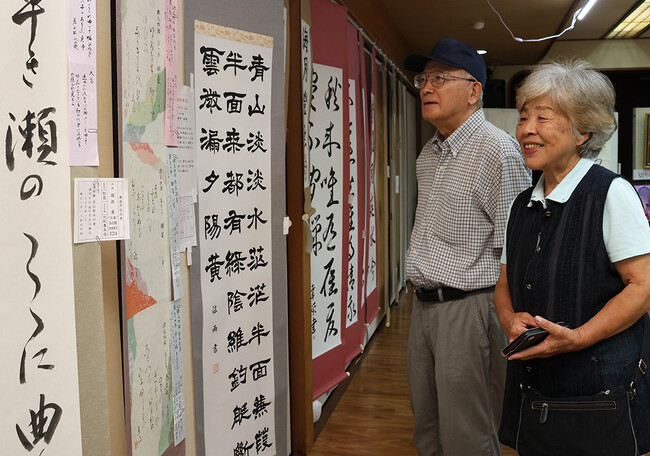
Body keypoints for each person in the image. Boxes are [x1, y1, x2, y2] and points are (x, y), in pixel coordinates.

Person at [496, 59, 650, 453]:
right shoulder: (522, 204)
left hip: (598, 395)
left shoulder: (610, 194)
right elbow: (505, 281)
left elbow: (643, 286)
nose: (527, 129)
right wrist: (509, 319)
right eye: (523, 116)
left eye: (543, 117)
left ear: (583, 131)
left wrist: (578, 337)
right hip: (536, 388)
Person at [403, 38, 531, 455]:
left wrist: (508, 318)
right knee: (428, 425)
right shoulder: (429, 153)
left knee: (468, 433)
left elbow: (518, 248)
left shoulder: (498, 150)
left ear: (474, 91)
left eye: (440, 78)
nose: (426, 87)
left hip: (469, 307)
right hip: (421, 307)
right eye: (424, 78)